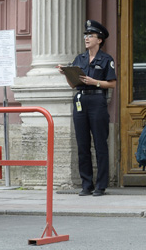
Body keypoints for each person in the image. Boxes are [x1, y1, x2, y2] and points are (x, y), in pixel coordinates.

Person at [58, 19, 116, 197]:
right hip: (80, 101)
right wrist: (66, 73)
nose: (87, 38)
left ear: (99, 40)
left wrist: (95, 82)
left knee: (100, 144)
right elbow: (73, 85)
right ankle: (86, 184)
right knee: (82, 145)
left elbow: (112, 84)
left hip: (97, 101)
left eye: (90, 35)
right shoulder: (79, 58)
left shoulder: (106, 59)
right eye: (86, 35)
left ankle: (101, 185)